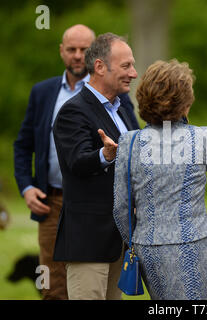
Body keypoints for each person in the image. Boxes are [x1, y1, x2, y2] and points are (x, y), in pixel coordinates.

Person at [113, 59, 207, 300]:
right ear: (185, 101)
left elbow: (120, 208)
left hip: (146, 246)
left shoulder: (128, 143)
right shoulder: (202, 136)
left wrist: (135, 241)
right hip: (191, 243)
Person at [52, 32, 139, 300]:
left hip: (120, 240)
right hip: (88, 242)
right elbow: (76, 161)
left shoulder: (123, 108)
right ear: (100, 67)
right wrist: (105, 155)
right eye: (126, 66)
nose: (134, 73)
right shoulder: (73, 111)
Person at [13, 24, 96, 300]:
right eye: (71, 49)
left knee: (88, 286)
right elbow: (23, 145)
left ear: (95, 53)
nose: (77, 55)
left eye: (84, 50)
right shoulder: (43, 92)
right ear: (61, 51)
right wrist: (26, 187)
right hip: (50, 202)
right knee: (52, 287)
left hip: (91, 205)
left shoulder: (107, 92)